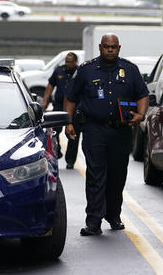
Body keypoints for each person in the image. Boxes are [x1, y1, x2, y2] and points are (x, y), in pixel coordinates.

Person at [64, 34, 149, 236]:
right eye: (106, 47)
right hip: (95, 129)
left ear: (119, 48)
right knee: (95, 174)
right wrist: (68, 123)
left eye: (113, 47)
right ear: (100, 48)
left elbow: (142, 95)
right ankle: (93, 221)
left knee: (117, 175)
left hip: (121, 131)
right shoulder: (86, 70)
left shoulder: (130, 70)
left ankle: (113, 215)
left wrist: (141, 115)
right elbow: (70, 97)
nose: (110, 50)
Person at [41, 52, 79, 166]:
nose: (67, 63)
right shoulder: (59, 71)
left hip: (74, 107)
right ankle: (57, 150)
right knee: (54, 131)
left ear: (75, 62)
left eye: (70, 62)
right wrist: (45, 101)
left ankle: (70, 161)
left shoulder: (79, 72)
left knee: (73, 134)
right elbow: (50, 85)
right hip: (59, 106)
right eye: (66, 61)